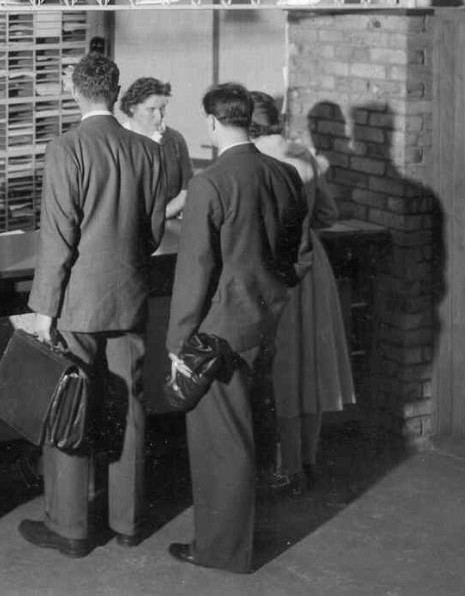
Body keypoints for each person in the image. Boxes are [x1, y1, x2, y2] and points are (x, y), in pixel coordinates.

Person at [19, 53, 167, 557]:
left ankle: (70, 527)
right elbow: (152, 231)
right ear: (115, 88)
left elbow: (58, 237)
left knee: (69, 407)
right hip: (128, 297)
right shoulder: (146, 149)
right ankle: (127, 522)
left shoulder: (66, 147)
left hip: (77, 302)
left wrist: (45, 309)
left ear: (76, 91)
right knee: (131, 406)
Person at [166, 82, 308, 575]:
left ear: (211, 122)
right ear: (248, 118)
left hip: (218, 332)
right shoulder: (285, 174)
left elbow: (196, 269)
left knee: (220, 442)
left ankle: (222, 552)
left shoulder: (211, 182)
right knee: (249, 430)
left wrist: (178, 342)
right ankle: (238, 539)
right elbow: (293, 251)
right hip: (264, 321)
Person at [247, 91, 355, 494]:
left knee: (283, 371)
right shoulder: (304, 157)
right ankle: (307, 461)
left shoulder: (251, 161)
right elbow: (328, 214)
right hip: (314, 268)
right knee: (311, 365)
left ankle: (285, 467)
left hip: (275, 270)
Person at [119, 76, 195, 218]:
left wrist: (161, 216)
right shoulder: (117, 142)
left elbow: (187, 189)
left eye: (162, 109)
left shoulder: (175, 139)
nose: (159, 116)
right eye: (151, 109)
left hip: (167, 221)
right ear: (131, 108)